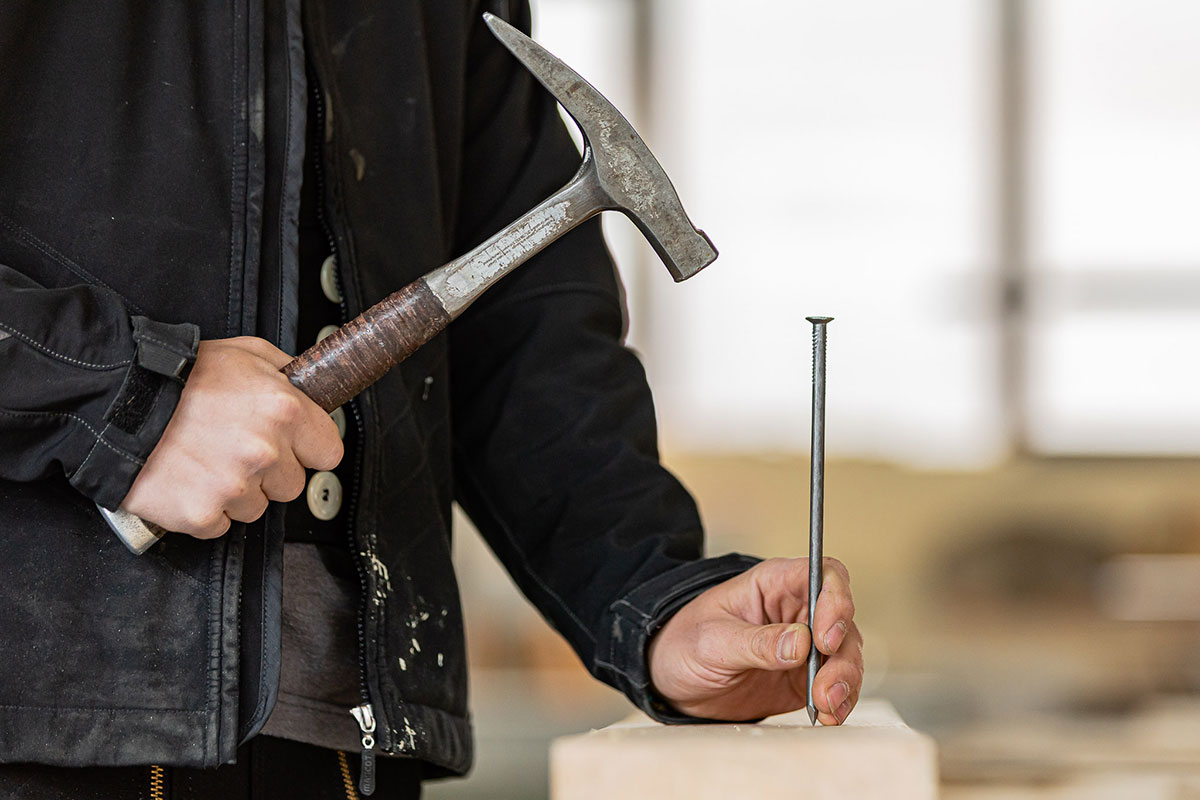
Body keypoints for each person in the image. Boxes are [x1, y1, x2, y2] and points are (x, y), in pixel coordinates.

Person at [0, 2, 862, 797]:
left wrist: (651, 596)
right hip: (37, 726)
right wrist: (118, 396)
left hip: (343, 736)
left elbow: (521, 337)